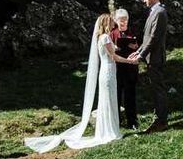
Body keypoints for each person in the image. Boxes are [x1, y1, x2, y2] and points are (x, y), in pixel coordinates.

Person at [25, 13, 126, 150]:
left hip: (106, 72)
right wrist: (130, 61)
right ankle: (110, 131)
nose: (113, 24)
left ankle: (108, 129)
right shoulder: (106, 37)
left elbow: (113, 50)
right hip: (108, 72)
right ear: (106, 24)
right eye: (111, 22)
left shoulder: (101, 38)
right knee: (108, 100)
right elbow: (113, 56)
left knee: (107, 100)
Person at [137, 0, 170, 132]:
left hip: (155, 58)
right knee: (155, 89)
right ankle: (159, 117)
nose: (144, 0)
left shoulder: (160, 12)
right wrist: (138, 51)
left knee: (158, 90)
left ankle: (161, 121)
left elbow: (154, 38)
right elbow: (147, 38)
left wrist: (141, 55)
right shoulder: (153, 12)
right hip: (151, 57)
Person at [112, 8, 141, 130]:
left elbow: (140, 46)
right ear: (116, 20)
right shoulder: (112, 33)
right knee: (116, 95)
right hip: (117, 68)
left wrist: (136, 46)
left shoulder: (133, 30)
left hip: (130, 68)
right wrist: (117, 47)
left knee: (130, 95)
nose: (124, 23)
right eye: (121, 21)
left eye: (126, 20)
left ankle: (132, 121)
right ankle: (116, 121)